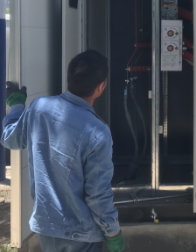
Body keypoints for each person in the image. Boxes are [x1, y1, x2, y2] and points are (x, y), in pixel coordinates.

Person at [1, 50, 125, 252]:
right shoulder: (98, 132)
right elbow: (97, 194)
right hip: (82, 234)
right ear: (101, 87)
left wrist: (16, 105)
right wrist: (113, 232)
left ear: (69, 78)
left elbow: (9, 138)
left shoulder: (38, 108)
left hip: (47, 228)